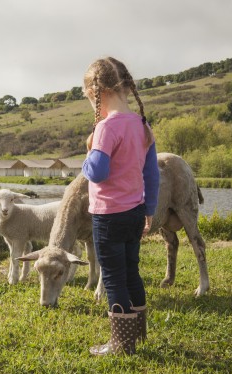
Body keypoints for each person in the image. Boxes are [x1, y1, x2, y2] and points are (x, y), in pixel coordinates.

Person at [81, 57, 159, 356]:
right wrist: (149, 209)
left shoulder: (106, 127)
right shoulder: (141, 124)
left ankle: (121, 344)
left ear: (96, 91)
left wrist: (87, 154)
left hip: (109, 216)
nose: (92, 106)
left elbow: (98, 172)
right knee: (131, 272)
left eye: (91, 99)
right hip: (136, 211)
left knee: (113, 276)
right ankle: (137, 334)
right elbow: (151, 173)